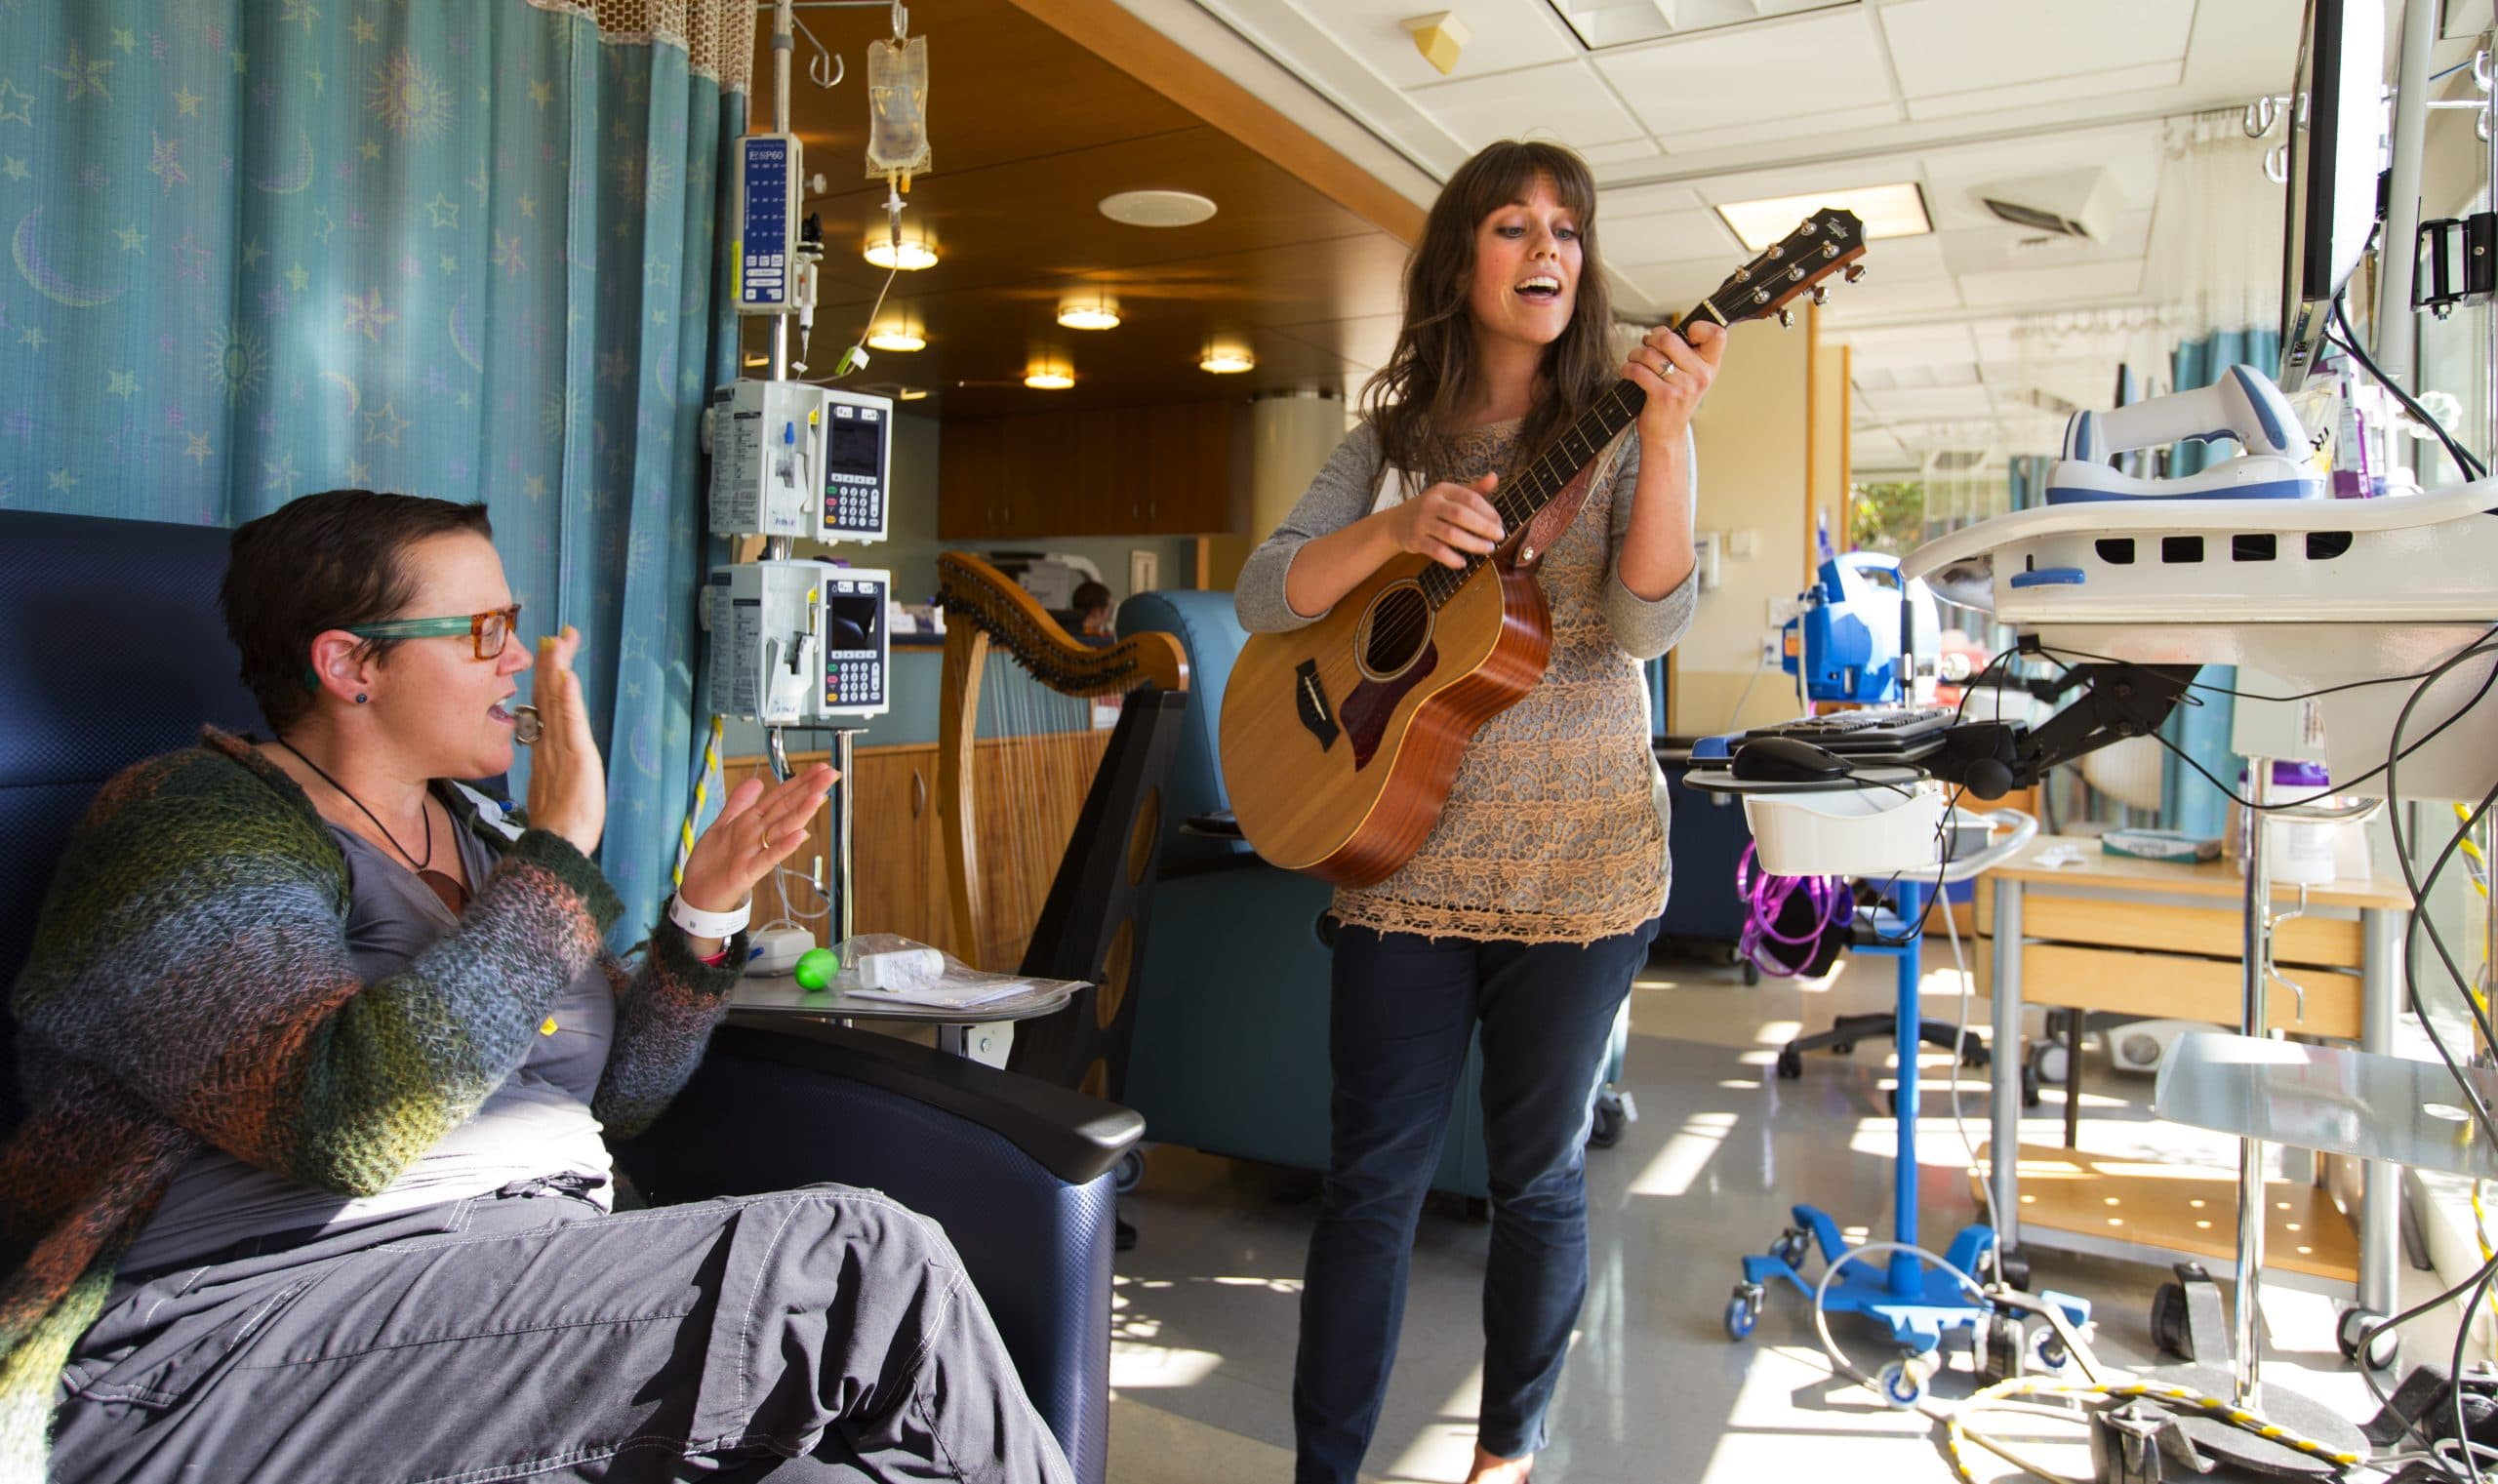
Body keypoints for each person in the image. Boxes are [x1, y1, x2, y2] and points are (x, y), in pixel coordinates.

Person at [0, 491, 1073, 1484]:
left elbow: (615, 1100)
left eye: (511, 623)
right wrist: (562, 850)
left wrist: (704, 912)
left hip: (515, 1286)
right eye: (481, 633)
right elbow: (339, 1120)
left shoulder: (479, 834)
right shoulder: (188, 819)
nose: (515, 660)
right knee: (854, 1261)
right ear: (349, 664)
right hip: (229, 1335)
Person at [1233, 140, 1725, 1484]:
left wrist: (1670, 441)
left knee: (1540, 1178)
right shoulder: (1387, 443)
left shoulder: (1624, 424)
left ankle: (1507, 1454)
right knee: (1372, 1183)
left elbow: (1640, 621)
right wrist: (1397, 534)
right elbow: (1266, 594)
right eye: (1513, 224)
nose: (1547, 246)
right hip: (1401, 855)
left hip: (1580, 861)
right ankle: (1323, 1471)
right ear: (1463, 262)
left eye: (1567, 226)